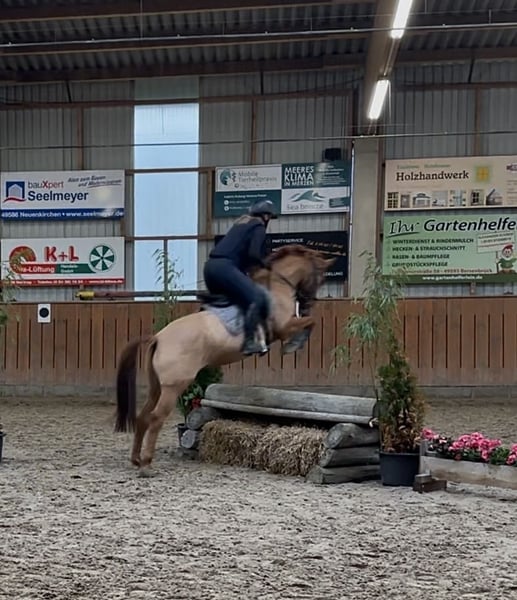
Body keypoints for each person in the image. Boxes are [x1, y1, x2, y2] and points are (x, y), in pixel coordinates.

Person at [204, 199, 277, 355]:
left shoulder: (240, 225)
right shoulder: (258, 227)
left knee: (234, 300)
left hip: (210, 268)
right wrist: (266, 265)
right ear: (265, 216)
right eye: (269, 217)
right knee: (256, 299)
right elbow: (254, 254)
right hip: (225, 269)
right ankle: (249, 342)